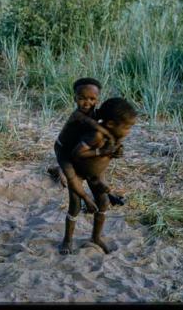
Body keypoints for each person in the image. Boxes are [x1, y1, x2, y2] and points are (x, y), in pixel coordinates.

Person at [58, 97, 137, 255]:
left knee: (103, 202)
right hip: (78, 172)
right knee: (75, 206)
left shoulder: (115, 135)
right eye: (127, 127)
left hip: (95, 174)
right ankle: (67, 239)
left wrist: (116, 152)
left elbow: (110, 153)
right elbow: (76, 153)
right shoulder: (96, 136)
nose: (129, 131)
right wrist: (102, 151)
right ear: (110, 124)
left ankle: (95, 237)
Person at [50, 77, 125, 207]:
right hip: (64, 150)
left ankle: (104, 193)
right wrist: (110, 138)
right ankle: (85, 197)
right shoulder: (77, 115)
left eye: (92, 99)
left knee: (95, 163)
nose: (87, 103)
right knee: (71, 175)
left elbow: (110, 123)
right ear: (75, 98)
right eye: (82, 98)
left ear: (97, 99)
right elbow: (96, 126)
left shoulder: (96, 113)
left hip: (79, 147)